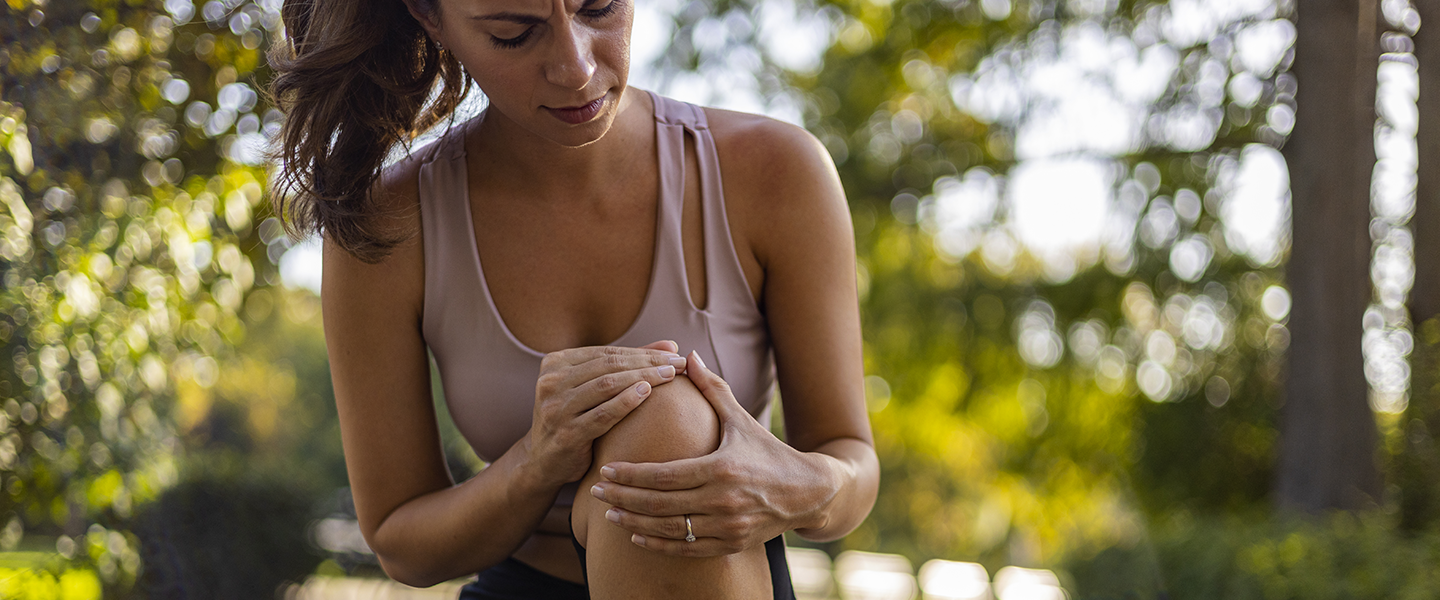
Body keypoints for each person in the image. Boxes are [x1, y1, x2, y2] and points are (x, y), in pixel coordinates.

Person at [267, 0, 879, 597]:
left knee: (668, 422)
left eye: (600, 9)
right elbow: (401, 541)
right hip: (522, 582)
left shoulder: (773, 172)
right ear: (430, 17)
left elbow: (851, 461)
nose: (577, 67)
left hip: (721, 576)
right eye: (514, 33)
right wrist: (534, 462)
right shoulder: (386, 227)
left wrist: (798, 485)